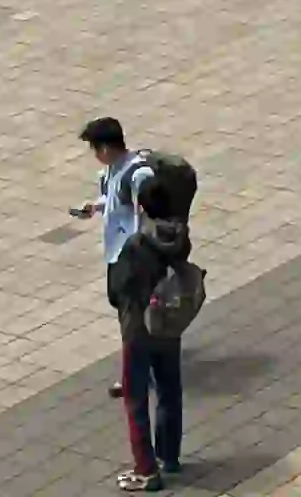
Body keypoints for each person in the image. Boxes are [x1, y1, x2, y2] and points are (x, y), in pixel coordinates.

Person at [110, 178, 192, 492]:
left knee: (135, 398)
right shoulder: (180, 237)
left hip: (138, 329)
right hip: (170, 324)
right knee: (170, 390)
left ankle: (146, 469)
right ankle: (169, 456)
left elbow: (119, 289)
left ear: (142, 207)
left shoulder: (136, 244)